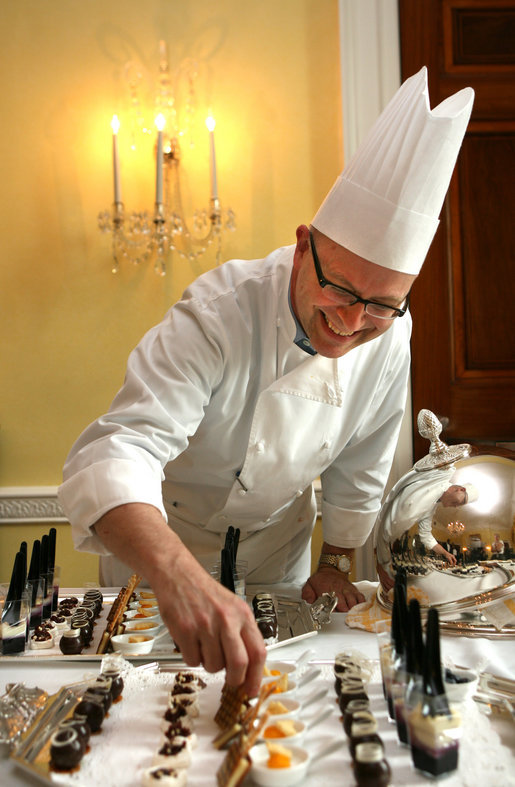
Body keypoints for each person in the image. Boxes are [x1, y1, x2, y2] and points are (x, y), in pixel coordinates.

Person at [58, 68, 474, 695]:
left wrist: (335, 563)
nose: (353, 322)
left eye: (383, 305)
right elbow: (119, 450)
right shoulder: (219, 313)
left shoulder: (395, 332)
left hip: (281, 562)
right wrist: (176, 574)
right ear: (304, 245)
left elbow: (360, 462)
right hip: (164, 555)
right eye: (339, 288)